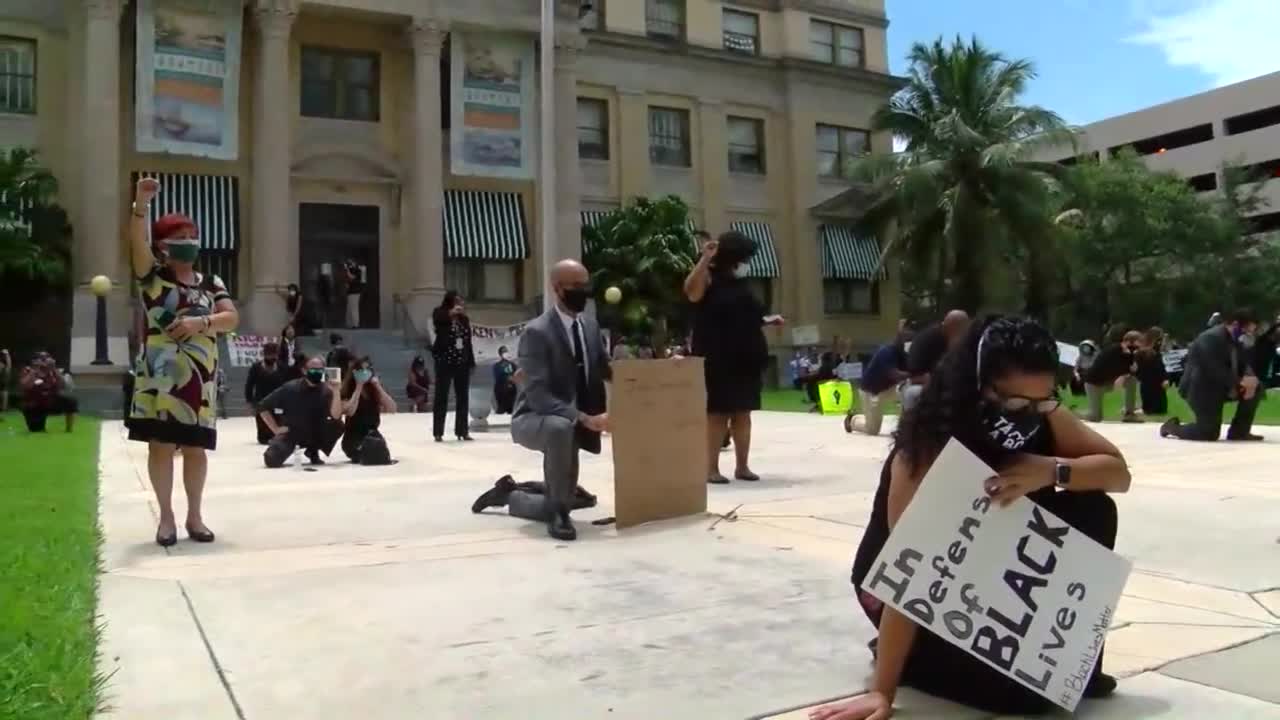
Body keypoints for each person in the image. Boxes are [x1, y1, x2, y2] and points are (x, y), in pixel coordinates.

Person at [817, 317, 1127, 720]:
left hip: (990, 562)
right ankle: (908, 656)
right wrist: (883, 692)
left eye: (1043, 401)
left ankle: (1070, 662)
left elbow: (1118, 473)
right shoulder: (926, 447)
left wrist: (1052, 470)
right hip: (906, 581)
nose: (1029, 413)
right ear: (978, 386)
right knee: (1021, 701)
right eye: (1016, 403)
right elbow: (910, 568)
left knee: (1094, 506)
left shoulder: (1042, 413)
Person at [126, 177, 239, 547]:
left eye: (192, 236)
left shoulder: (211, 283)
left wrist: (200, 322)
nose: (189, 243)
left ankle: (195, 516)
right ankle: (166, 519)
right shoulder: (152, 276)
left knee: (195, 447)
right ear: (163, 246)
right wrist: (141, 205)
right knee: (159, 445)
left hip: (200, 377)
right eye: (181, 238)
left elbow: (231, 318)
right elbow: (135, 243)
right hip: (159, 376)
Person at [469, 260, 610, 541]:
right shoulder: (537, 332)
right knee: (560, 428)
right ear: (557, 289)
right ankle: (545, 510)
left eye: (586, 284)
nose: (584, 291)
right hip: (534, 417)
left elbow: (607, 369)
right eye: (577, 286)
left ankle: (517, 489)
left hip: (567, 416)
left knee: (582, 499)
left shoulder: (591, 327)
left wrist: (656, 372)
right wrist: (584, 418)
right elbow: (539, 395)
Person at [684, 230, 785, 484]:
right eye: (743, 258)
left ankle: (743, 466)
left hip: (746, 357)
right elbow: (691, 293)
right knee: (717, 413)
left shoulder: (742, 285)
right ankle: (711, 469)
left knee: (743, 412)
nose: (747, 263)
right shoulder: (709, 277)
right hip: (717, 357)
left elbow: (748, 316)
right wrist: (705, 258)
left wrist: (768, 320)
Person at [1160, 309, 1263, 442]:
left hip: (1222, 386)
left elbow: (1242, 363)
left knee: (1257, 387)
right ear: (1235, 324)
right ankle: (1172, 427)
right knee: (1208, 433)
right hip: (1201, 389)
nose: (1247, 335)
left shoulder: (1235, 339)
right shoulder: (1210, 338)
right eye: (1245, 331)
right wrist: (1240, 382)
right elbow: (1213, 368)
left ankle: (1239, 431)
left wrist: (1251, 379)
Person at [258, 356, 345, 467]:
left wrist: (336, 391)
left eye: (320, 370)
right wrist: (275, 428)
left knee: (338, 425)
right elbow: (262, 406)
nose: (316, 372)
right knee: (271, 459)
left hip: (315, 433)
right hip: (292, 432)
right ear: (304, 370)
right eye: (313, 369)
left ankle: (313, 450)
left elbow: (336, 415)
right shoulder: (290, 388)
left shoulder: (327, 390)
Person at [845, 329, 912, 436]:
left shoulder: (903, 354)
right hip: (871, 392)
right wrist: (914, 373)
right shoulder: (886, 352)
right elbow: (894, 374)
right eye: (907, 341)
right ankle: (852, 420)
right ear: (899, 341)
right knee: (872, 430)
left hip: (888, 388)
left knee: (909, 393)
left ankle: (902, 428)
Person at [902, 309, 971, 411]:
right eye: (961, 330)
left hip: (946, 387)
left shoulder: (959, 341)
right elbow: (914, 377)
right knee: (913, 393)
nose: (963, 335)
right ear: (950, 326)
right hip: (920, 386)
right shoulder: (926, 340)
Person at [431, 290, 476, 442]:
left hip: (461, 361)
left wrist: (471, 361)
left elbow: (468, 341)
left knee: (463, 397)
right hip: (445, 360)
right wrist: (450, 314)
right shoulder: (440, 313)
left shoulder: (464, 320)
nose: (460, 304)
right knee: (441, 396)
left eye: (461, 301)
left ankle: (462, 431)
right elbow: (438, 322)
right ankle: (438, 432)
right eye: (457, 301)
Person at [339, 356, 396, 462]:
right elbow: (350, 411)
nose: (365, 373)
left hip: (372, 432)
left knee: (379, 454)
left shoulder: (373, 390)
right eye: (362, 370)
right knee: (366, 454)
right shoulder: (347, 390)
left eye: (368, 369)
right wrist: (358, 387)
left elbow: (392, 408)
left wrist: (378, 386)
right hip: (354, 435)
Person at [1081, 330, 1142, 423]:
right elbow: (1116, 368)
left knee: (1132, 380)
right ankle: (1074, 414)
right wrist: (1124, 375)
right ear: (1129, 342)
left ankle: (1129, 414)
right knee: (1096, 417)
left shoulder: (1129, 353)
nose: (1139, 346)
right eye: (1138, 343)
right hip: (1094, 385)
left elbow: (1132, 370)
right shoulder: (1113, 351)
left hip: (1109, 382)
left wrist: (1128, 373)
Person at [18, 352, 78, 432]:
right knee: (37, 431)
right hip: (33, 404)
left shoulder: (53, 371)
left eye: (46, 359)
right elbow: (24, 386)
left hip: (50, 400)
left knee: (71, 402)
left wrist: (54, 369)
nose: (44, 362)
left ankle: (69, 429)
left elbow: (63, 385)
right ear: (34, 361)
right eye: (42, 359)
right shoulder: (28, 370)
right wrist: (35, 371)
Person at [245, 342, 287, 444]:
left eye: (274, 354)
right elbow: (249, 385)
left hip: (278, 401)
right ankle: (264, 438)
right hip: (260, 401)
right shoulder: (256, 367)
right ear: (264, 354)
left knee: (278, 421)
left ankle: (277, 436)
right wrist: (249, 402)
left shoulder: (282, 367)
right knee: (262, 428)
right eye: (269, 354)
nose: (271, 357)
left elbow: (286, 384)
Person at [1136, 327, 1169, 415]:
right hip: (1151, 379)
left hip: (1151, 379)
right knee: (1155, 406)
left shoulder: (1148, 350)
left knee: (1159, 407)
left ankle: (1143, 408)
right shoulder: (1148, 351)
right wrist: (1164, 378)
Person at [492, 345, 518, 415]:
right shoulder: (496, 366)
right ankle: (502, 408)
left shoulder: (513, 364)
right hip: (502, 389)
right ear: (500, 354)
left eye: (506, 351)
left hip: (511, 389)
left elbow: (516, 375)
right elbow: (498, 377)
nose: (506, 353)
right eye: (504, 351)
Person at [343, 259, 363, 329]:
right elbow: (348, 280)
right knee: (349, 309)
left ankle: (355, 324)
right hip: (351, 292)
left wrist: (347, 270)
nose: (350, 265)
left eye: (351, 263)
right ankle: (349, 324)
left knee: (353, 308)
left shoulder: (358, 271)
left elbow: (351, 277)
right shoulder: (352, 270)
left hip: (355, 292)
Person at [0, 347, 10, 413]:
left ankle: (3, 409)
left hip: (3, 383)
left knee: (4, 396)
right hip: (2, 383)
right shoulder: (1, 364)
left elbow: (8, 367)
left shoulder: (3, 364)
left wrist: (7, 355)